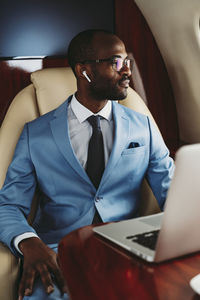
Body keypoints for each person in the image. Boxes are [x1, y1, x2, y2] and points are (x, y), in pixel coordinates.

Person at [0, 29, 174, 300]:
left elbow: (171, 189)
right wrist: (29, 243)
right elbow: (9, 205)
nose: (127, 71)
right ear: (85, 71)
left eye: (127, 62)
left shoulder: (143, 126)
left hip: (129, 246)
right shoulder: (36, 133)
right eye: (117, 62)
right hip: (57, 253)